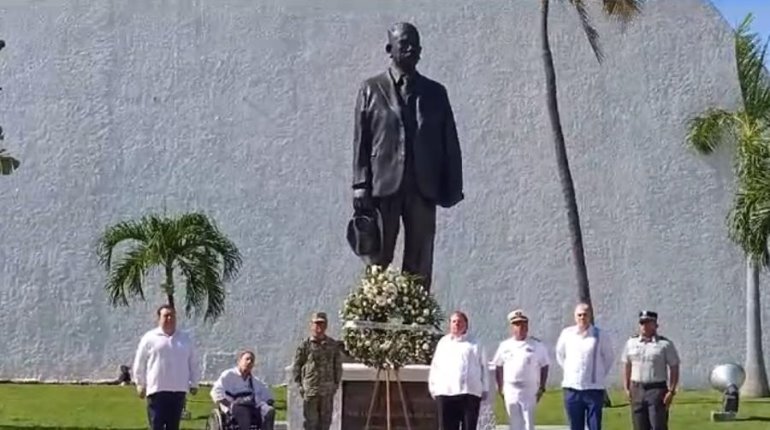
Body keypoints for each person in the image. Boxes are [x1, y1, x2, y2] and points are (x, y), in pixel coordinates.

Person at [350, 22, 464, 290]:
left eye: (416, 44)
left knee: (420, 256)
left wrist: (452, 186)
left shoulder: (436, 93)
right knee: (379, 255)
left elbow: (449, 142)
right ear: (390, 49)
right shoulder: (370, 89)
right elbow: (361, 142)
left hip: (422, 186)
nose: (412, 48)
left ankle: (416, 320)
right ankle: (373, 314)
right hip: (384, 186)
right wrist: (359, 185)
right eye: (405, 44)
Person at [132, 305, 199, 430]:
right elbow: (139, 362)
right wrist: (140, 383)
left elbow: (193, 362)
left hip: (178, 390)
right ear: (159, 318)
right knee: (156, 425)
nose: (169, 318)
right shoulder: (149, 338)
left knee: (173, 426)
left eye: (172, 315)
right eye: (166, 316)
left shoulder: (185, 338)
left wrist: (194, 383)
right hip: (157, 390)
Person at [555, 303, 615, 430]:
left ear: (590, 316)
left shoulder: (600, 335)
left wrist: (598, 374)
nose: (582, 317)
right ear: (575, 317)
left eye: (585, 315)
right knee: (575, 426)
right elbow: (560, 354)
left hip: (593, 389)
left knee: (594, 425)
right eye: (579, 315)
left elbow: (608, 357)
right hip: (572, 388)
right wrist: (570, 371)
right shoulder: (567, 334)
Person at [429, 311, 489, 430]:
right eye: (454, 321)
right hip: (446, 393)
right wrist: (433, 388)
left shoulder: (475, 343)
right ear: (450, 325)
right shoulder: (443, 343)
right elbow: (435, 366)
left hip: (469, 393)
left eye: (460, 321)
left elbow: (484, 367)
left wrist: (485, 388)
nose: (457, 324)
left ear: (466, 325)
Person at [621, 311, 680, 430]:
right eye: (642, 323)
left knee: (658, 425)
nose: (644, 326)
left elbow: (674, 367)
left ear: (655, 325)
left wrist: (671, 390)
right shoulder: (631, 343)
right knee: (639, 425)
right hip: (637, 388)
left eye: (648, 323)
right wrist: (627, 387)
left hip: (656, 390)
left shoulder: (664, 344)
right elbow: (627, 365)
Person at [493, 310, 550, 430]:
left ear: (527, 326)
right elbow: (498, 365)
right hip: (511, 389)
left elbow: (545, 365)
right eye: (517, 324)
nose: (520, 327)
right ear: (512, 327)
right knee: (514, 423)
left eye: (523, 324)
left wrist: (542, 387)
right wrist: (500, 387)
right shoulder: (505, 346)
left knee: (528, 423)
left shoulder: (536, 345)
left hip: (529, 389)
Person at [291, 312, 343, 430]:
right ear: (311, 325)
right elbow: (297, 366)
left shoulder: (332, 345)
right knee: (311, 422)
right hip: (311, 390)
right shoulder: (305, 345)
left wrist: (335, 384)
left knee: (325, 423)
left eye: (322, 323)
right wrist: (300, 385)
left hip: (327, 390)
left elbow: (337, 366)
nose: (319, 327)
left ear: (326, 325)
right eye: (316, 323)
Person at [211, 350, 276, 430]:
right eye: (247, 359)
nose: (249, 362)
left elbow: (268, 396)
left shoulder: (255, 381)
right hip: (234, 406)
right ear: (239, 361)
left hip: (252, 407)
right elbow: (216, 391)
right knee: (243, 411)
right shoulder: (229, 375)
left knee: (269, 411)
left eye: (252, 360)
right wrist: (229, 405)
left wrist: (269, 402)